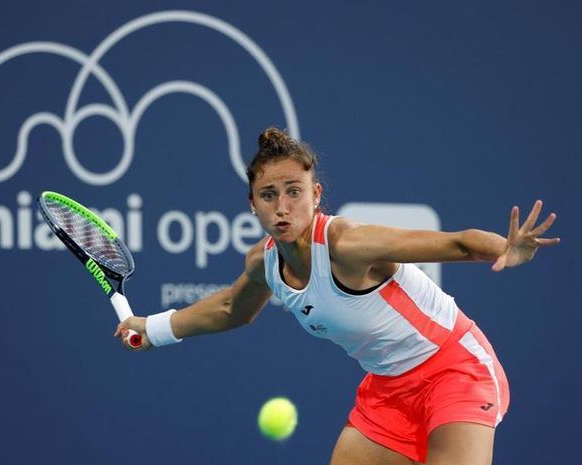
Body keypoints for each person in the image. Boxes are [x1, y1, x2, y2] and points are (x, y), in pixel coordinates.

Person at [115, 128, 560, 465]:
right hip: (388, 388)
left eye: (295, 192)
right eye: (269, 195)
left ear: (316, 194)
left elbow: (458, 243)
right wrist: (152, 330)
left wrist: (505, 248)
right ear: (253, 203)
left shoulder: (348, 244)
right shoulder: (264, 262)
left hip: (456, 370)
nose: (283, 206)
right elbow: (232, 307)